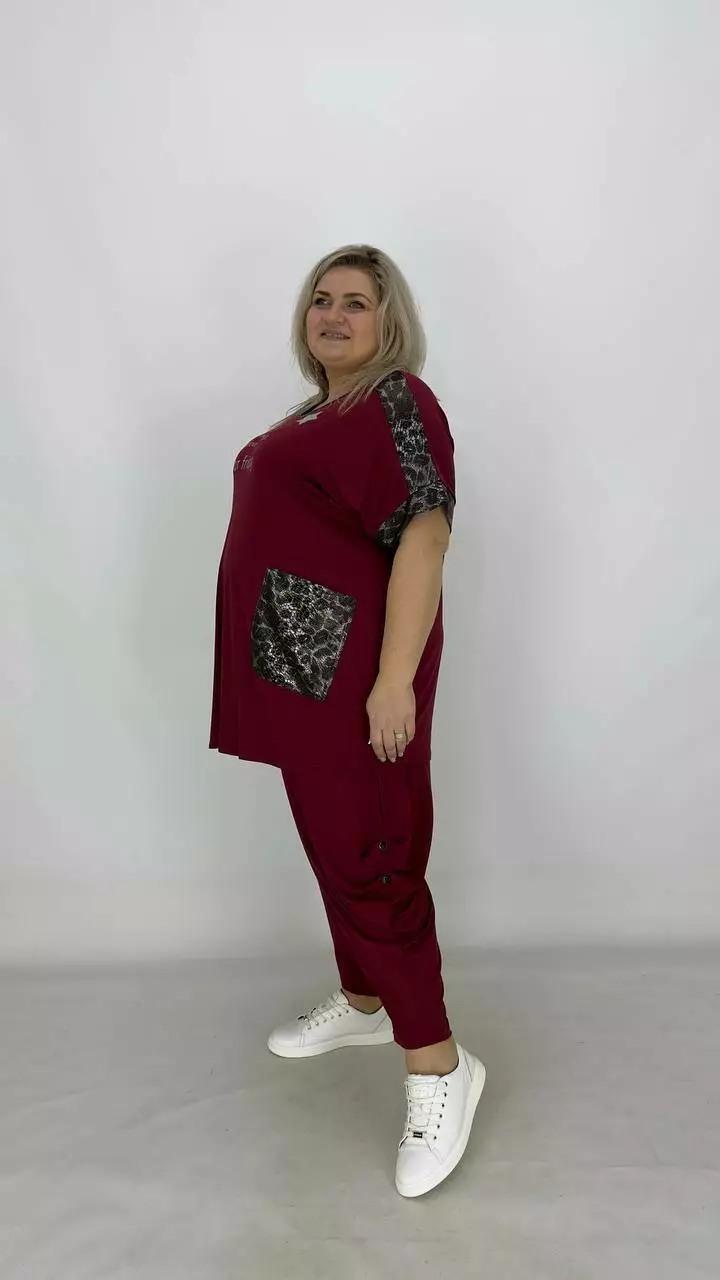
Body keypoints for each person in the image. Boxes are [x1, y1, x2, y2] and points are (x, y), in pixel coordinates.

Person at [209, 243, 485, 1197]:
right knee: (332, 843)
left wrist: (393, 680)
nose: (332, 314)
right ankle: (365, 999)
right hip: (298, 669)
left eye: (356, 302)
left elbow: (426, 533)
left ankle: (439, 1064)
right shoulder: (314, 412)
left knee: (372, 853)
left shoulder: (396, 401)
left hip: (356, 672)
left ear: (388, 321)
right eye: (321, 299)